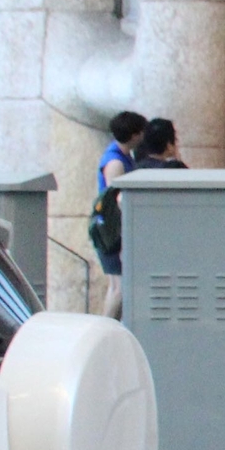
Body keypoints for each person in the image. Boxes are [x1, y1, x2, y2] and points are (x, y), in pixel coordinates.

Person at [91, 111, 145, 318]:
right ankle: (107, 329)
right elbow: (117, 199)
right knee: (119, 287)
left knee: (117, 285)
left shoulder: (122, 156)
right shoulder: (115, 162)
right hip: (110, 230)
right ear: (134, 135)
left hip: (112, 228)